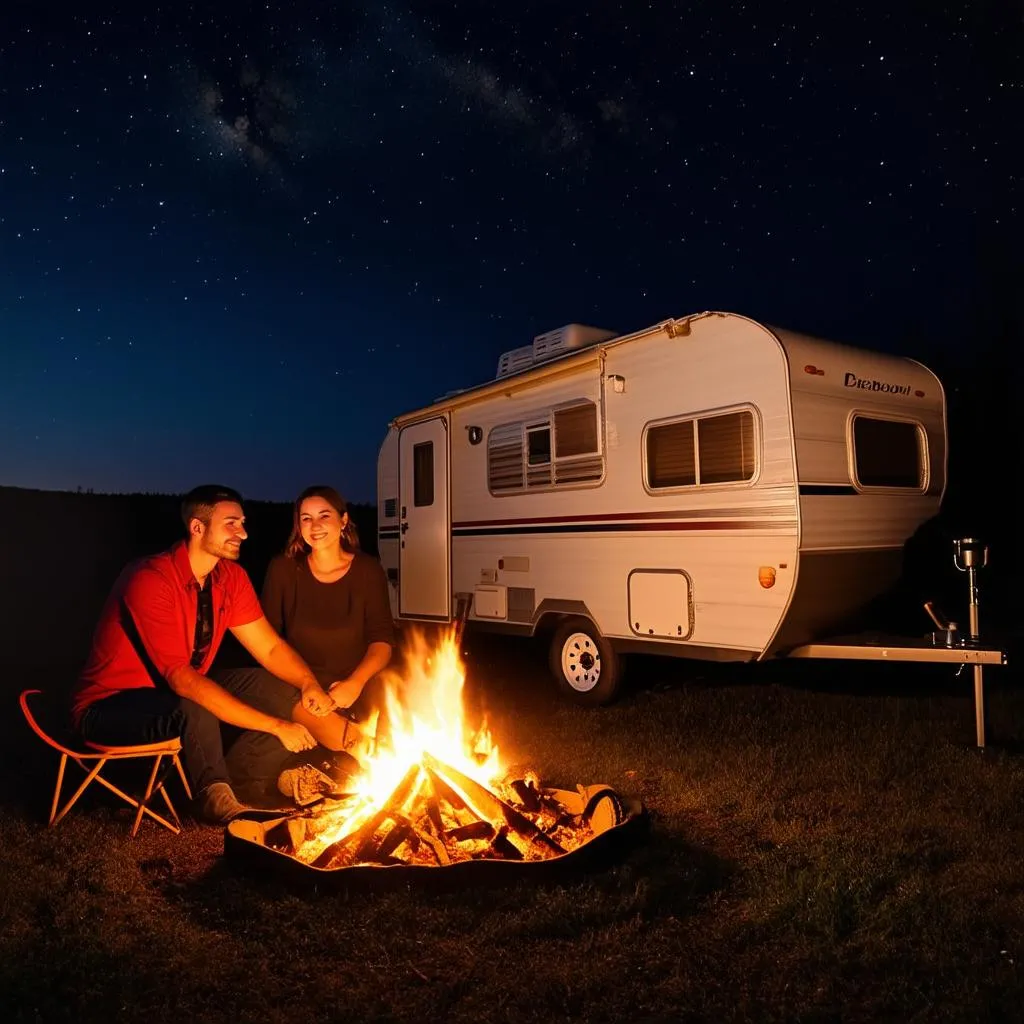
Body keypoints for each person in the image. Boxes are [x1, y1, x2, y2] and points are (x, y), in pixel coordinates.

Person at [69, 485, 338, 824]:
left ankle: (248, 772)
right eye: (231, 523)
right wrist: (278, 726)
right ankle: (216, 797)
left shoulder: (230, 578)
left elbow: (269, 647)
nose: (243, 532)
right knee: (196, 700)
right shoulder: (150, 578)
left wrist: (308, 682)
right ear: (198, 528)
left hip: (172, 694)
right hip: (108, 707)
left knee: (265, 683)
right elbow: (181, 679)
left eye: (242, 522)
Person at [258, 485, 395, 795]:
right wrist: (306, 686)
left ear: (343, 520)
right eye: (306, 518)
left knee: (390, 702)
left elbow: (382, 641)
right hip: (299, 689)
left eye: (324, 516)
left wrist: (355, 683)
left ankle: (345, 757)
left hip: (353, 689)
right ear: (298, 525)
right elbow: (267, 640)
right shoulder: (283, 570)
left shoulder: (367, 571)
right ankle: (338, 755)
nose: (315, 526)